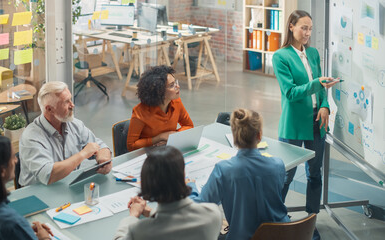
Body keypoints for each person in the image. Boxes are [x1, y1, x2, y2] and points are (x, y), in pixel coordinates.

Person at [272, 10, 339, 238]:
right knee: (285, 175)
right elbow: (290, 92)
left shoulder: (313, 53)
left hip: (317, 121)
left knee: (315, 174)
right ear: (291, 26)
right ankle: (276, 219)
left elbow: (321, 89)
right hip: (293, 123)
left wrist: (324, 106)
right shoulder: (281, 56)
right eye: (303, 27)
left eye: (310, 28)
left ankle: (311, 221)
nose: (307, 33)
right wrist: (316, 83)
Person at [189, 109, 290, 240]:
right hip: (283, 234)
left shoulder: (223, 170)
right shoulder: (278, 165)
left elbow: (201, 207)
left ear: (234, 136)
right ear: (259, 136)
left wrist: (191, 186)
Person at [114, 146, 222, 240]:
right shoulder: (212, 214)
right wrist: (152, 213)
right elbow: (177, 223)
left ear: (147, 184)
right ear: (183, 175)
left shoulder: (139, 231)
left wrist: (132, 216)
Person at [19, 81, 112, 186]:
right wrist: (83, 154)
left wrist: (104, 160)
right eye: (66, 102)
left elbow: (100, 146)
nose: (72, 105)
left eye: (70, 99)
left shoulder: (74, 124)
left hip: (67, 186)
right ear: (49, 109)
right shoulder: (31, 137)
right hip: (36, 195)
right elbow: (48, 175)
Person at [126, 65, 194, 151]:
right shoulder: (140, 112)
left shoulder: (176, 102)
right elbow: (131, 145)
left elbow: (189, 126)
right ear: (159, 91)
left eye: (176, 82)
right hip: (148, 154)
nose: (178, 87)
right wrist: (159, 138)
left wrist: (172, 137)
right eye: (172, 85)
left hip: (167, 150)